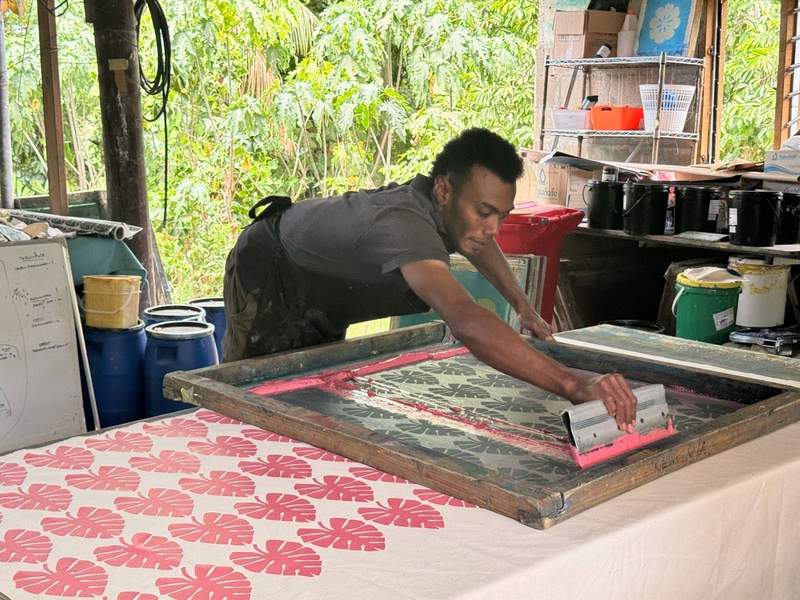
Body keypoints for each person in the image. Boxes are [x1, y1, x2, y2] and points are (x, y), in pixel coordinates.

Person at [223, 128, 637, 429]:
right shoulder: (404, 224)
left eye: (502, 216)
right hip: (271, 268)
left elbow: (480, 242)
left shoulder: (452, 214)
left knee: (302, 395)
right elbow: (464, 318)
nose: (492, 228)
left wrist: (523, 307)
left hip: (320, 288)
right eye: (484, 211)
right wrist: (572, 383)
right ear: (443, 190)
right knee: (252, 398)